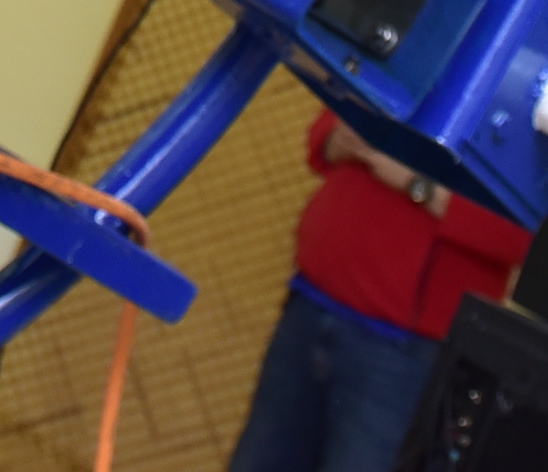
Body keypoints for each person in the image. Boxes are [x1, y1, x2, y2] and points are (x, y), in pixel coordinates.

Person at [224, 114, 532, 472]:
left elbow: (524, 238)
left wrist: (419, 185)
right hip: (311, 304)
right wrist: (341, 138)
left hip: (402, 352)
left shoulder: (534, 114)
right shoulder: (415, 79)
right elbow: (323, 133)